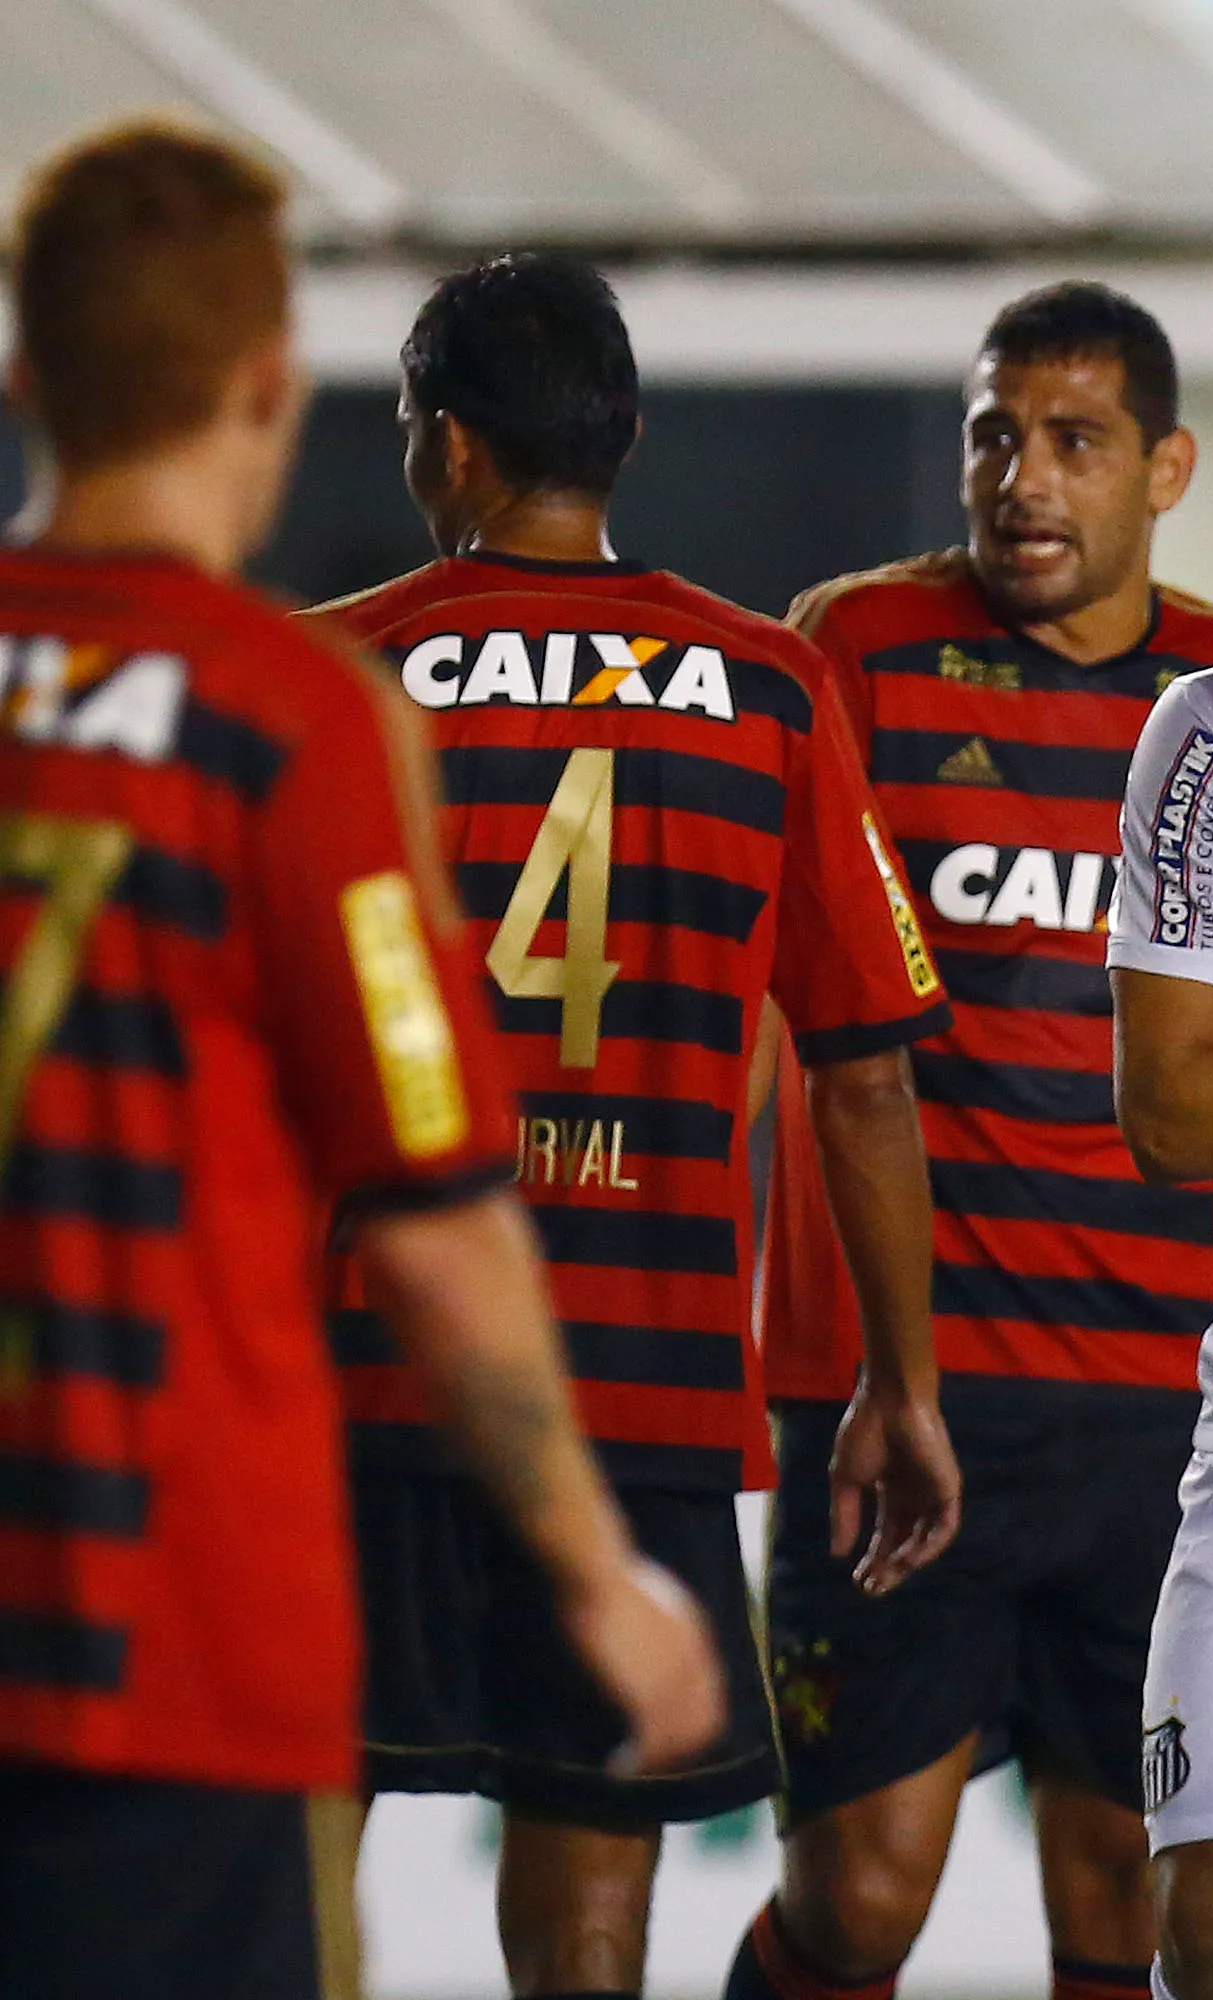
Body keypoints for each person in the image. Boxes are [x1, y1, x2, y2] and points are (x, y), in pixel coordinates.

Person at [0, 119, 721, 2000]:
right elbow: (437, 1214)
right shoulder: (292, 721)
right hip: (160, 1630)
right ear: (266, 385)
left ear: (24, 375)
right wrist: (590, 1565)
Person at [312, 252, 960, 2000]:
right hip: (648, 1392)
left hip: (360, 1368)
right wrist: (898, 1386)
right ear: (623, 437)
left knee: (292, 1871)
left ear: (448, 446)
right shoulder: (766, 688)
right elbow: (865, 1073)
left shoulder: (327, 682)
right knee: (592, 1923)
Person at [727, 282, 1213, 2000]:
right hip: (907, 1394)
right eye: (993, 436)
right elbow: (767, 1008)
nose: (1023, 479)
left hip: (1172, 1403)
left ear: (1165, 468)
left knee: (1125, 1896)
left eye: (1074, 442)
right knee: (862, 1896)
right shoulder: (857, 649)